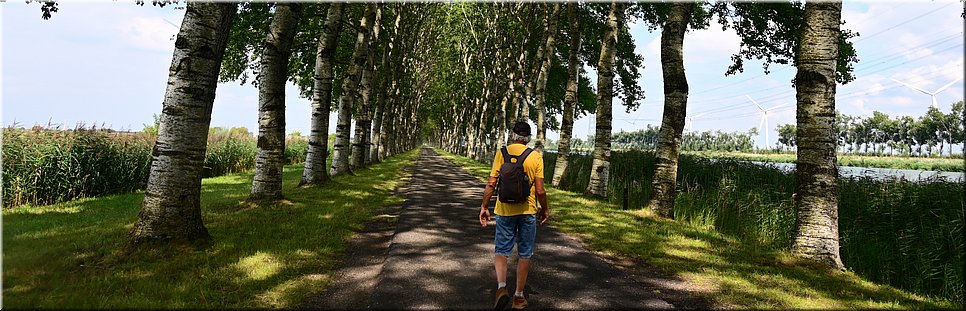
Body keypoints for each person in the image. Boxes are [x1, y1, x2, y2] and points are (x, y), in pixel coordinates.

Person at [479, 121, 550, 310]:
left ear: (513, 135)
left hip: (504, 210)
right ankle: (519, 297)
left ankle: (502, 288)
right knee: (525, 253)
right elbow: (541, 190)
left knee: (502, 250)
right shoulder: (535, 156)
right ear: (528, 138)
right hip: (527, 211)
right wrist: (545, 209)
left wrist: (484, 206)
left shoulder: (502, 153)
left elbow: (492, 183)